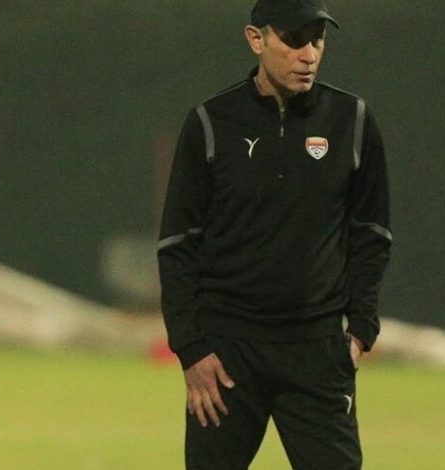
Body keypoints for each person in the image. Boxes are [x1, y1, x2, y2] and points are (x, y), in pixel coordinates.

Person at [157, 0, 391, 468]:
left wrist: (360, 331)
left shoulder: (352, 120)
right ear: (256, 40)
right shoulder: (211, 123)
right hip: (226, 355)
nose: (309, 55)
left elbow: (372, 233)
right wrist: (192, 349)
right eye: (294, 40)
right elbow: (178, 245)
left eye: (317, 41)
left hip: (316, 352)